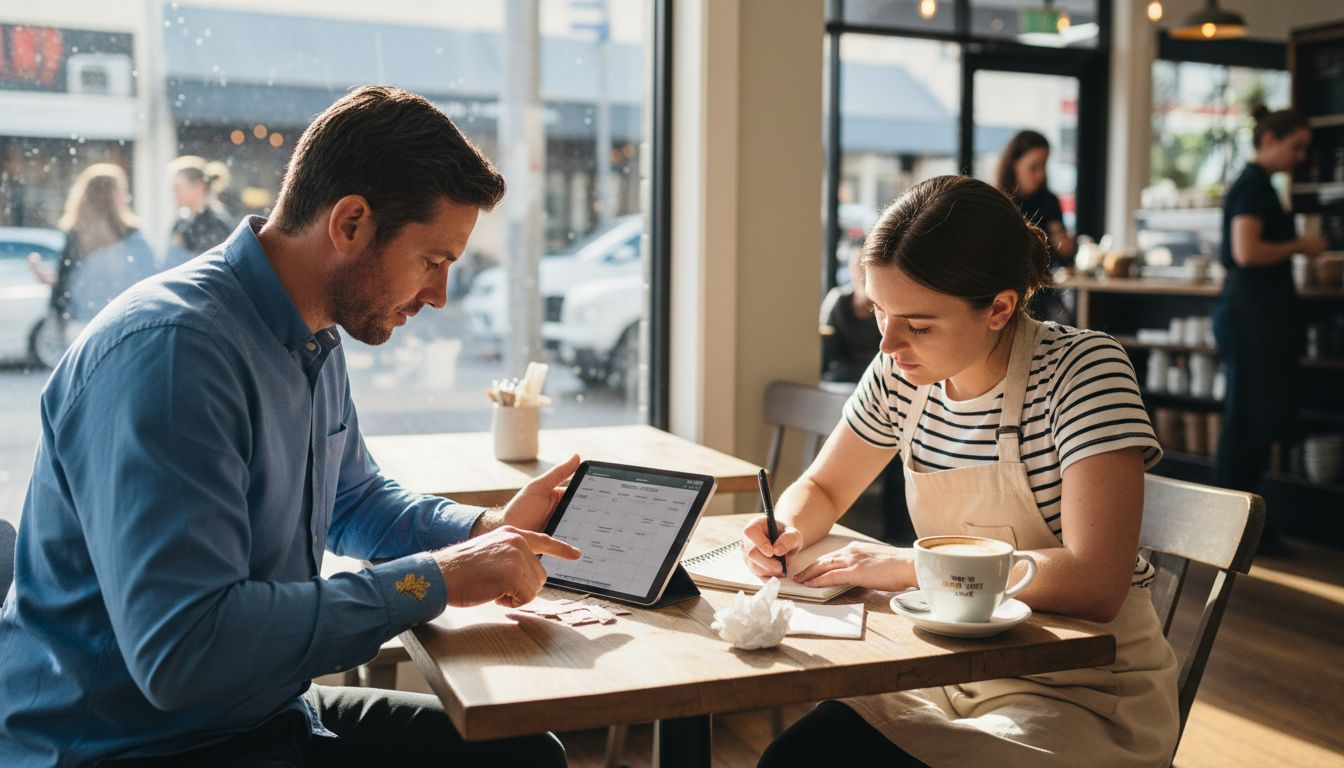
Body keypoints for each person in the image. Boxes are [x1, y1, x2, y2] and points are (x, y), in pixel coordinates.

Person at [0, 86, 581, 767]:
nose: (438, 295)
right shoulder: (173, 355)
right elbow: (184, 651)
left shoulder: (309, 331)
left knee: (522, 753)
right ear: (351, 223)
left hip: (257, 713)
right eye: (433, 261)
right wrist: (434, 579)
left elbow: (353, 499)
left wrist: (486, 535)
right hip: (133, 746)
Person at [745, 175, 1179, 768]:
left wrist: (907, 567)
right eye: (879, 313)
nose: (889, 344)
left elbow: (1096, 581)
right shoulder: (903, 374)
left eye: (918, 325)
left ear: (1000, 308)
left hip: (1082, 691)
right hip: (946, 671)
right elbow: (823, 485)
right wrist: (784, 527)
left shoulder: (1083, 370)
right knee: (797, 756)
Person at [1213, 106, 1326, 554]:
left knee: (1251, 419)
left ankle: (1240, 530)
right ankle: (1232, 531)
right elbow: (1246, 250)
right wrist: (1302, 245)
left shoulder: (1256, 185)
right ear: (1271, 140)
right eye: (1296, 146)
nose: (1300, 156)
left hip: (1254, 316)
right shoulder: (1255, 187)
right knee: (1246, 423)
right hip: (1251, 317)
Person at [27, 163, 156, 353]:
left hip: (82, 327)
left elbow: (66, 284)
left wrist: (59, 316)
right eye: (123, 191)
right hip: (124, 324)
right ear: (113, 196)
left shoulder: (77, 235)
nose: (127, 197)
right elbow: (147, 280)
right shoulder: (132, 236)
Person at [820, 246, 882, 384]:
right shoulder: (839, 300)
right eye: (857, 267)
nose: (862, 274)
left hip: (876, 370)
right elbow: (827, 345)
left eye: (865, 268)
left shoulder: (886, 304)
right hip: (843, 370)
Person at [165, 154, 236, 267]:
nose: (174, 194)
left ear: (199, 186)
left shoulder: (217, 224)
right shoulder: (181, 222)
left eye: (178, 188)